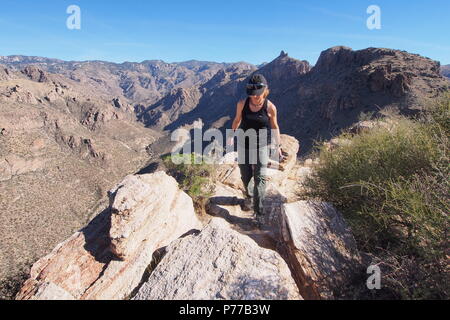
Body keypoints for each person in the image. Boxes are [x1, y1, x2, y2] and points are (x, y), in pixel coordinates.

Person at [227, 74, 283, 226]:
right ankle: (249, 196)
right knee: (245, 175)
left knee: (260, 178)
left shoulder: (270, 107)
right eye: (252, 95)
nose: (255, 98)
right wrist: (231, 135)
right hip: (244, 144)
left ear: (265, 91)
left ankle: (259, 212)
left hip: (262, 145)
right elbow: (237, 119)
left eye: (258, 95)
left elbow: (275, 126)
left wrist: (277, 146)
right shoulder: (242, 103)